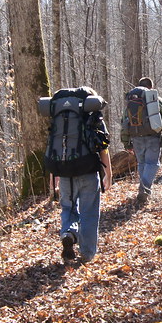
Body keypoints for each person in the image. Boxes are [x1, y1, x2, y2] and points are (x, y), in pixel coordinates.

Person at [47, 87, 113, 264]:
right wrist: (108, 173)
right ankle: (87, 253)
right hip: (88, 171)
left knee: (68, 208)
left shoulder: (59, 118)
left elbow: (54, 147)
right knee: (89, 213)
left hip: (64, 171)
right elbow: (103, 146)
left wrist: (53, 176)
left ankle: (68, 233)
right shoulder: (93, 115)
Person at [120, 76, 162, 207]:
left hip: (136, 137)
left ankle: (143, 191)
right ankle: (145, 188)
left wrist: (126, 143)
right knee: (153, 163)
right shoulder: (155, 100)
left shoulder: (131, 101)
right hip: (152, 136)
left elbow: (124, 122)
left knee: (142, 163)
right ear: (151, 87)